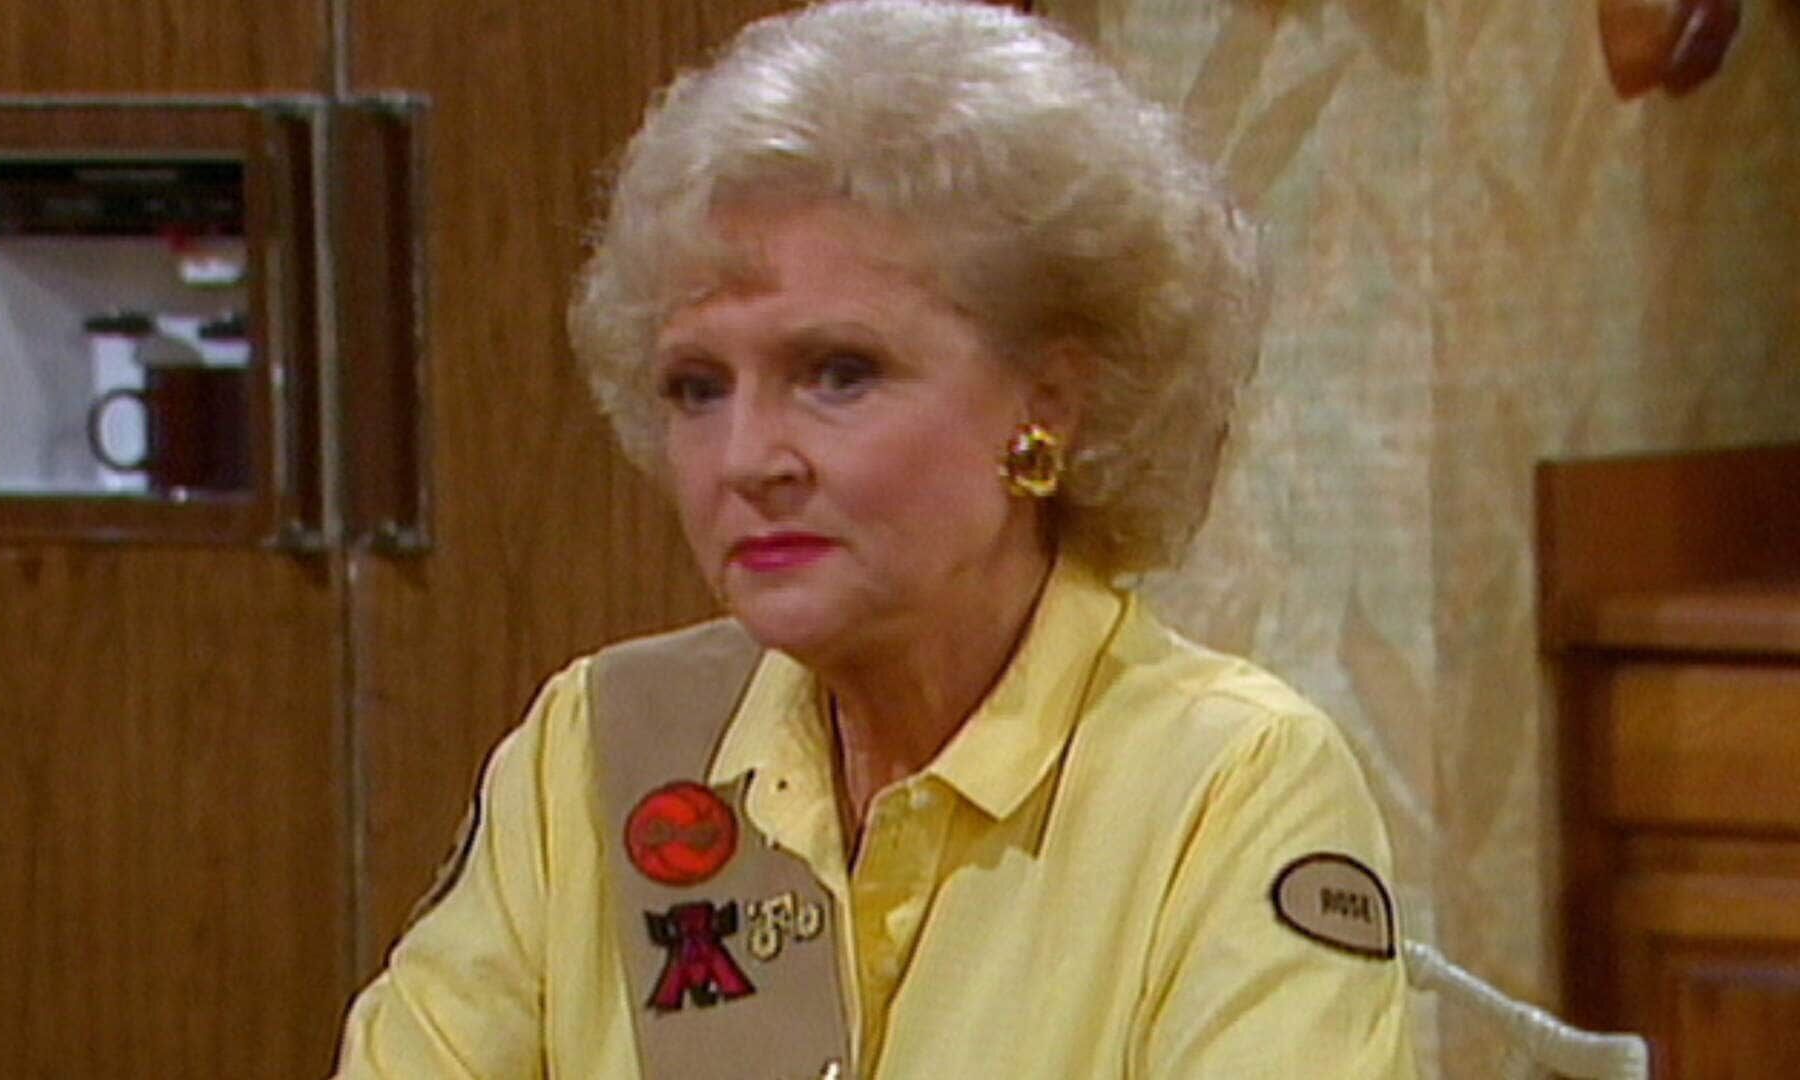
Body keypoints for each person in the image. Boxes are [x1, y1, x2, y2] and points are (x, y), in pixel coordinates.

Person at [334, 1, 1416, 1076]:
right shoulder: (599, 748)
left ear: (1048, 404)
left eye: (837, 373)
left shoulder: (1226, 784)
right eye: (698, 387)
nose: (747, 458)